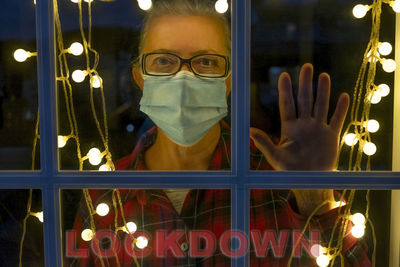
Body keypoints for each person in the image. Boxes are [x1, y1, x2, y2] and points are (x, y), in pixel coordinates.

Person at [68, 0, 371, 266]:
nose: (184, 77)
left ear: (229, 81)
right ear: (141, 78)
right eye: (163, 61)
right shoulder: (104, 196)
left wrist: (314, 196)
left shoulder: (280, 180)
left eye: (206, 61)